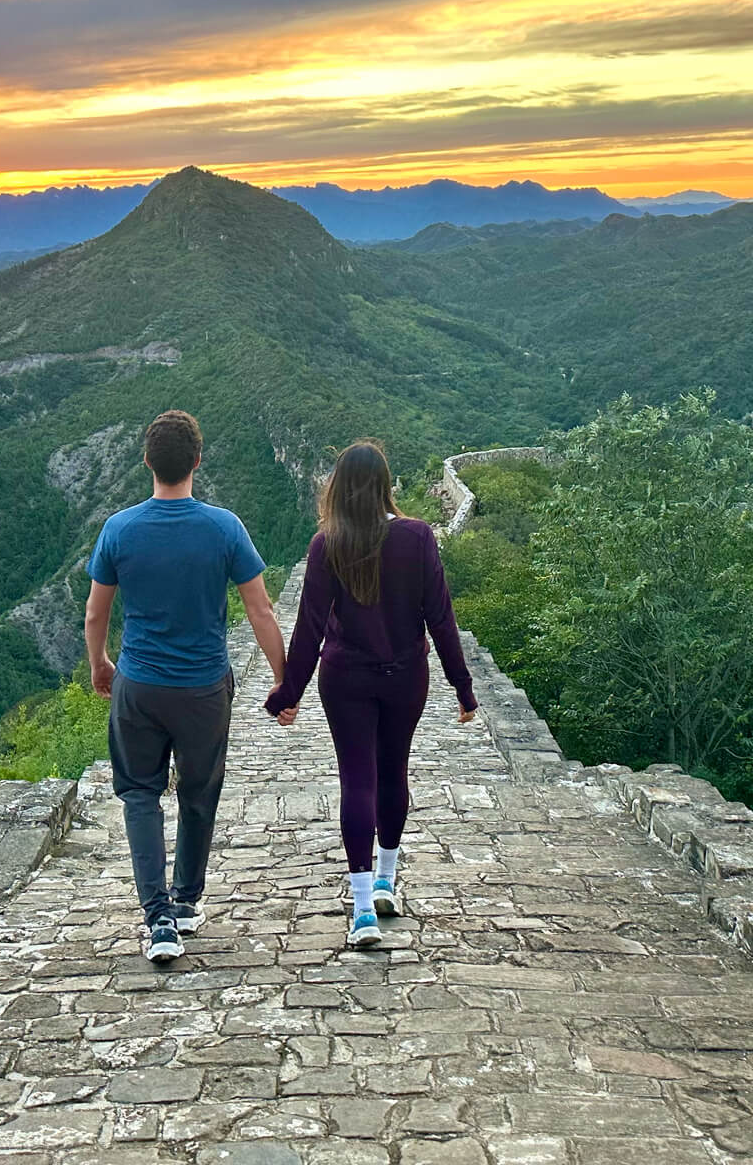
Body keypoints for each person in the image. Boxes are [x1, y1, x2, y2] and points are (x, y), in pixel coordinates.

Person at [86, 409, 287, 962]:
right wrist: (282, 679)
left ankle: (156, 920)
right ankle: (186, 902)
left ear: (147, 461)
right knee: (199, 793)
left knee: (139, 795)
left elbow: (95, 614)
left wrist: (101, 664)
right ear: (198, 461)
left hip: (139, 684)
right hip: (203, 688)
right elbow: (260, 609)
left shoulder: (119, 530)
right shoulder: (224, 528)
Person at [264, 440, 477, 947]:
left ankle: (361, 909)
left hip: (346, 680)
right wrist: (462, 688)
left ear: (338, 489)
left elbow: (309, 628)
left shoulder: (327, 544)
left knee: (357, 780)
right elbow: (441, 619)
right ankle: (387, 879)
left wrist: (287, 693)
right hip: (406, 677)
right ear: (386, 487)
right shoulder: (418, 537)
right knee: (393, 771)